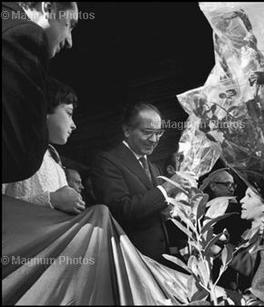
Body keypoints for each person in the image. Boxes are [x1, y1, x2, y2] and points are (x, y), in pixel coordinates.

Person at [91, 102, 191, 263]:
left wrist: (172, 207)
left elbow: (152, 207)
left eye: (159, 133)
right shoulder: (107, 161)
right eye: (147, 132)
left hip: (159, 257)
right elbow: (121, 210)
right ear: (127, 130)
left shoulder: (153, 167)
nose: (154, 140)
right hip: (130, 258)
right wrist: (167, 188)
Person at [2, 2, 78, 183]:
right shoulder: (24, 34)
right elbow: (20, 158)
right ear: (48, 8)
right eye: (70, 25)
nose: (70, 41)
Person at [2, 77, 85, 215]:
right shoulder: (12, 151)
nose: (73, 125)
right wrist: (51, 200)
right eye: (69, 113)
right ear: (44, 110)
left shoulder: (53, 159)